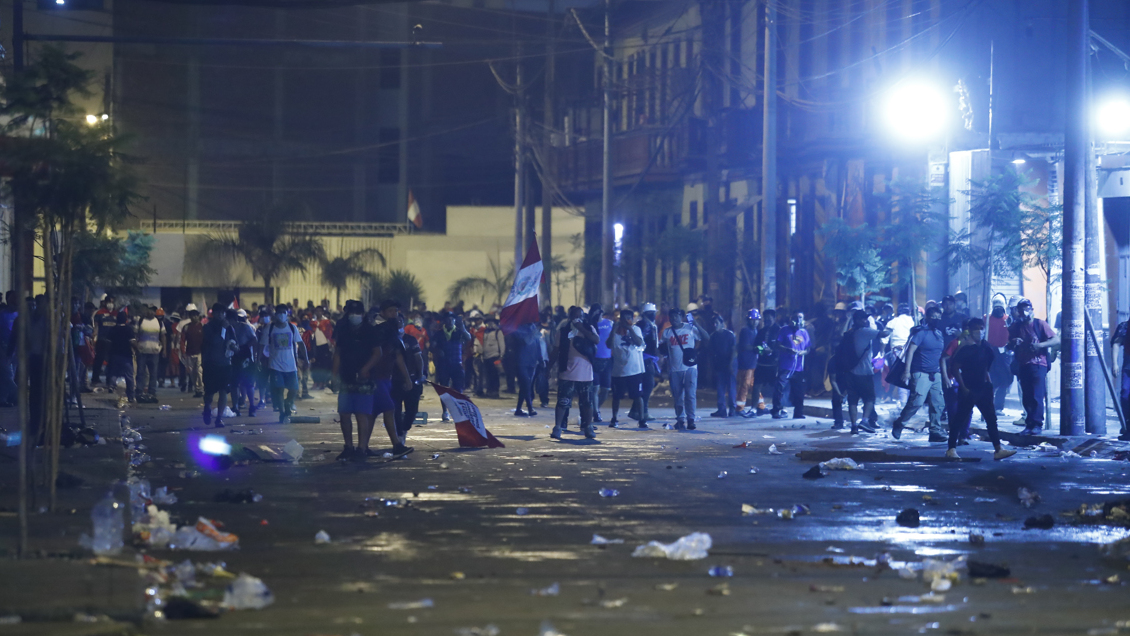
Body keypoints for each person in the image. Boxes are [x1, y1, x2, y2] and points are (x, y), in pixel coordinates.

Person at [944, 318, 1017, 460]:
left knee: (991, 419)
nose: (980, 331)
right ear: (970, 330)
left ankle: (998, 449)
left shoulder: (986, 347)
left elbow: (986, 368)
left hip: (983, 388)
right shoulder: (964, 347)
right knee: (959, 419)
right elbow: (955, 368)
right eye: (976, 328)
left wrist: (988, 384)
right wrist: (963, 387)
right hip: (969, 388)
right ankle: (951, 448)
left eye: (981, 328)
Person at [890, 306, 947, 441]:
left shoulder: (939, 333)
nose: (937, 319)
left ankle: (935, 431)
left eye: (939, 317)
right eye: (933, 317)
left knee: (938, 403)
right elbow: (910, 351)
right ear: (927, 317)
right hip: (921, 372)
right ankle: (899, 424)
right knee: (916, 401)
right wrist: (907, 371)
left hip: (935, 373)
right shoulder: (921, 333)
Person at [333, 300, 380, 461]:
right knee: (344, 414)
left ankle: (361, 448)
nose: (354, 316)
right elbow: (337, 353)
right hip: (346, 377)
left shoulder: (370, 331)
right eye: (352, 313)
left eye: (357, 313)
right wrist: (333, 376)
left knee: (362, 414)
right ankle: (348, 447)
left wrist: (365, 369)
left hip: (364, 379)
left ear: (363, 314)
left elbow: (377, 353)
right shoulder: (343, 330)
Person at [1007, 298, 1059, 435]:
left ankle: (1037, 424)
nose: (1024, 312)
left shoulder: (1039, 324)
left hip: (1038, 364)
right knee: (1027, 396)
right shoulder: (1016, 327)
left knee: (1036, 395)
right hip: (1023, 364)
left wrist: (1040, 345)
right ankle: (1029, 424)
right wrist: (1013, 342)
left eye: (1027, 308)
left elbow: (1055, 339)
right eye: (1021, 309)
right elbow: (1008, 344)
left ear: (1031, 309)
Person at [835, 310, 889, 434]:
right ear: (858, 320)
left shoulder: (849, 333)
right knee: (870, 397)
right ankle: (864, 421)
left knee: (852, 400)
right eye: (864, 319)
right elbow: (884, 334)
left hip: (849, 372)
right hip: (864, 372)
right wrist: (891, 328)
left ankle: (854, 426)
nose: (866, 321)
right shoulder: (865, 331)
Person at [552, 306, 599, 440]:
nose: (577, 318)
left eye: (580, 316)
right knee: (563, 402)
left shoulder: (589, 329)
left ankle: (588, 427)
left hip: (586, 375)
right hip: (567, 373)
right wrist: (548, 368)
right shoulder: (563, 331)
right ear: (570, 317)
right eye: (575, 316)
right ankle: (558, 427)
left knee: (587, 403)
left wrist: (581, 328)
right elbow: (556, 350)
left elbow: (596, 340)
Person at [259, 304, 307, 424]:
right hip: (275, 366)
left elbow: (301, 344)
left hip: (291, 366)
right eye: (279, 312)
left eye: (283, 312)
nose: (281, 314)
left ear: (287, 314)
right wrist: (258, 360)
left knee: (294, 390)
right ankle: (281, 413)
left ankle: (288, 403)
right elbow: (261, 346)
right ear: (275, 314)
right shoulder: (269, 329)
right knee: (279, 389)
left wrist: (305, 358)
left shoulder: (292, 328)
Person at [663, 308, 708, 430]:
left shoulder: (690, 328)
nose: (674, 319)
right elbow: (664, 350)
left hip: (690, 367)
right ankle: (680, 419)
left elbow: (706, 337)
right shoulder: (667, 333)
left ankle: (691, 420)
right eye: (671, 316)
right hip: (674, 369)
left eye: (676, 316)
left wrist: (696, 324)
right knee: (677, 396)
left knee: (690, 394)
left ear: (681, 316)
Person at [607, 308, 645, 429]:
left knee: (637, 395)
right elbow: (609, 345)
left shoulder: (636, 329)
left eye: (629, 318)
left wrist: (630, 329)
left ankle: (642, 419)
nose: (627, 321)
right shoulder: (615, 331)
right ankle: (614, 418)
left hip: (634, 369)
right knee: (617, 396)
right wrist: (614, 329)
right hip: (619, 370)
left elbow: (639, 342)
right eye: (625, 319)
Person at [201, 305, 238, 428]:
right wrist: (222, 329)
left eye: (222, 313)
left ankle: (219, 418)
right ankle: (207, 407)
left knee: (223, 391)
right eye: (217, 312)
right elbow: (216, 341)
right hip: (211, 364)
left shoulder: (229, 328)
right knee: (209, 393)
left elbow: (234, 342)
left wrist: (234, 347)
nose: (220, 315)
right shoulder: (208, 327)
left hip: (225, 364)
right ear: (213, 314)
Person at [433, 313, 472, 422]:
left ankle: (457, 410)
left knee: (458, 389)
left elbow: (468, 338)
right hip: (443, 365)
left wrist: (463, 327)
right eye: (448, 319)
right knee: (444, 389)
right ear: (444, 321)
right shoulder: (439, 333)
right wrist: (437, 350)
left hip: (456, 364)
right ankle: (445, 411)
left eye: (452, 319)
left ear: (455, 321)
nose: (450, 321)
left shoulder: (459, 332)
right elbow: (432, 345)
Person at [772, 311, 810, 420]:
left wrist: (803, 352)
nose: (798, 320)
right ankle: (776, 410)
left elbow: (808, 348)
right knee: (780, 387)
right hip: (786, 365)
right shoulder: (784, 330)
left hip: (798, 367)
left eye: (800, 318)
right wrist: (788, 350)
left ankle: (798, 412)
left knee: (799, 390)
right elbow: (777, 344)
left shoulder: (804, 332)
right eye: (796, 318)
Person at [394, 311, 426, 442]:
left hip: (412, 378)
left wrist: (420, 375)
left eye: (400, 321)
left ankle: (404, 429)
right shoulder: (388, 339)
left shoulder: (410, 339)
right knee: (394, 410)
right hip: (394, 380)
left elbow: (418, 358)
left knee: (412, 410)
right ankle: (399, 433)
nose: (398, 323)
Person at [746, 308, 779, 416]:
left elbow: (781, 347)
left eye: (769, 318)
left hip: (773, 364)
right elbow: (755, 345)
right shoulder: (761, 331)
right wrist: (758, 349)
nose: (766, 321)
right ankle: (754, 409)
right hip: (761, 363)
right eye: (765, 319)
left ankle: (778, 408)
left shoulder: (779, 330)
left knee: (777, 387)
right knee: (756, 386)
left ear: (774, 318)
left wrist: (773, 351)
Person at [632, 303, 661, 425]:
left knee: (647, 386)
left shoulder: (649, 324)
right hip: (645, 358)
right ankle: (642, 412)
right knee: (648, 385)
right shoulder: (644, 325)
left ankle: (637, 410)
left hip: (649, 358)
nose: (654, 315)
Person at [231, 309, 258, 417]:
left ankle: (252, 406)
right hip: (233, 358)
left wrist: (243, 348)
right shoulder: (228, 328)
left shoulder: (246, 327)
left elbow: (254, 339)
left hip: (246, 358)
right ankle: (235, 407)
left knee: (249, 384)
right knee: (234, 384)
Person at [104, 311, 137, 403]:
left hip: (114, 355)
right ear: (125, 319)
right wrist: (138, 349)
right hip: (126, 355)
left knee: (114, 372)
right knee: (129, 376)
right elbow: (132, 342)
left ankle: (111, 386)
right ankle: (131, 396)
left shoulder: (113, 329)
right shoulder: (128, 329)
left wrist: (107, 355)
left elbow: (108, 343)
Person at [708, 314, 737, 417]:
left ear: (722, 323)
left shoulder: (729, 335)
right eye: (714, 323)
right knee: (720, 387)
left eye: (717, 323)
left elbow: (733, 350)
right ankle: (722, 409)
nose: (715, 325)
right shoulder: (713, 336)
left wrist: (731, 364)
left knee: (731, 387)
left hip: (729, 363)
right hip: (719, 364)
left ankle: (732, 409)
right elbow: (711, 352)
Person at [735, 309, 762, 416]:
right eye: (752, 320)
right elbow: (745, 346)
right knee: (745, 385)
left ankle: (761, 405)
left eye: (756, 320)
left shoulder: (755, 331)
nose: (755, 322)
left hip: (752, 362)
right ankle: (739, 408)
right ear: (748, 320)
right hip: (746, 363)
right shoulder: (746, 331)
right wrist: (756, 348)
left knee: (753, 385)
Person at [135, 306, 165, 403]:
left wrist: (164, 349)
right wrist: (136, 348)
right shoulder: (140, 321)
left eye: (153, 311)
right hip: (142, 351)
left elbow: (163, 336)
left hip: (154, 352)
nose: (151, 313)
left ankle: (152, 392)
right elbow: (135, 335)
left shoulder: (159, 322)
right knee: (140, 372)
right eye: (149, 311)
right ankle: (139, 391)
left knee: (153, 373)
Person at [589, 305, 614, 423]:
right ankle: (596, 413)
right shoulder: (589, 325)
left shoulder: (609, 323)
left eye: (599, 312)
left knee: (605, 389)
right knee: (595, 388)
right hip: (594, 359)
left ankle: (595, 409)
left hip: (607, 360)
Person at [513, 322, 541, 416]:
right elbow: (526, 341)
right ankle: (530, 408)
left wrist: (540, 359)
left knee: (525, 386)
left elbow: (538, 345)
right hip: (521, 362)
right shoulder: (519, 329)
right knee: (526, 384)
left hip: (532, 362)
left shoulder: (533, 328)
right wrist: (532, 333)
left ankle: (518, 409)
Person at [90, 295, 118, 386]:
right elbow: (96, 326)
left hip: (112, 341)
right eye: (109, 302)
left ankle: (110, 380)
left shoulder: (115, 314)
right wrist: (94, 337)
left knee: (112, 361)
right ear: (105, 303)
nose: (111, 304)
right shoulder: (100, 313)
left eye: (112, 302)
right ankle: (95, 379)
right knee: (99, 360)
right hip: (102, 340)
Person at [480, 316, 506, 398]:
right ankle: (489, 390)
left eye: (492, 322)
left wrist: (501, 356)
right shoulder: (486, 332)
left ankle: (495, 391)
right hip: (486, 357)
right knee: (488, 375)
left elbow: (502, 344)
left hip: (495, 356)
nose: (490, 324)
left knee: (494, 375)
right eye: (488, 322)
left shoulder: (498, 332)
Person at [181, 308, 204, 397]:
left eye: (196, 315)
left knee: (199, 371)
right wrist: (183, 351)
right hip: (189, 352)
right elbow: (182, 340)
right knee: (192, 373)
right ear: (190, 317)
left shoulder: (202, 327)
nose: (194, 317)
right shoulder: (186, 327)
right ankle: (197, 389)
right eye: (192, 316)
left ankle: (201, 389)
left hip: (200, 352)